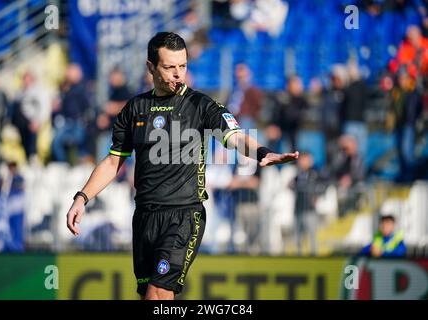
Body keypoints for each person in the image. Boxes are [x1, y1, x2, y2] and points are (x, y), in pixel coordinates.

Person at [65, 32, 299, 300]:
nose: (178, 74)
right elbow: (113, 161)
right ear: (151, 67)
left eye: (183, 66)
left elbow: (234, 136)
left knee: (159, 294)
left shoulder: (201, 105)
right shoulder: (135, 109)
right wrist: (82, 198)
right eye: (169, 67)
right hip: (144, 217)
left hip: (184, 215)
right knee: (149, 297)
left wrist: (262, 152)